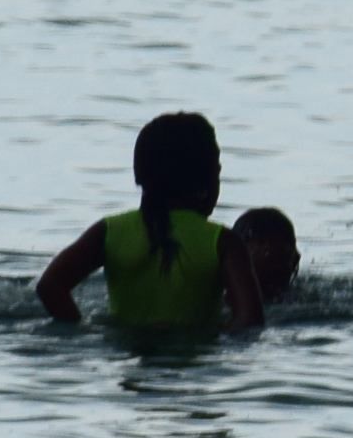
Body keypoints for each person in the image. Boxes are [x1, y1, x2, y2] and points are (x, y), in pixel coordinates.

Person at [37, 110, 300, 332]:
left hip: (128, 357)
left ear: (140, 175)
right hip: (195, 365)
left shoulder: (109, 231)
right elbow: (250, 322)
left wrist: (84, 329)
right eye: (217, 171)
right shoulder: (224, 242)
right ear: (206, 181)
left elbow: (50, 286)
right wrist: (208, 337)